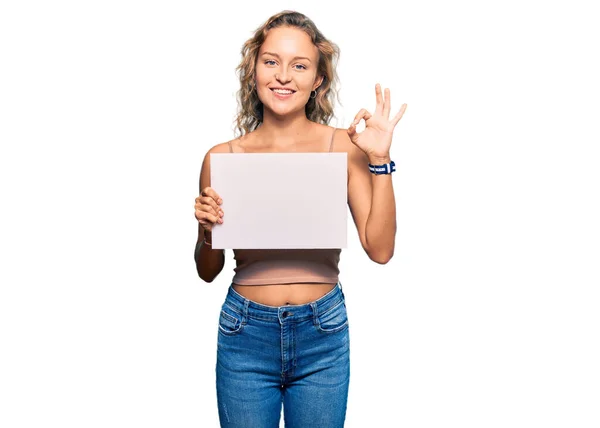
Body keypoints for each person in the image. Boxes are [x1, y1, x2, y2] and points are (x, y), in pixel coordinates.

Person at [193, 10, 407, 428]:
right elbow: (207, 271)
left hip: (322, 334)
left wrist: (379, 160)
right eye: (271, 61)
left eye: (300, 65)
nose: (283, 76)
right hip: (245, 335)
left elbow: (380, 250)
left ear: (318, 80)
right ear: (254, 71)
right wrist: (205, 233)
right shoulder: (222, 157)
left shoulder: (344, 147)